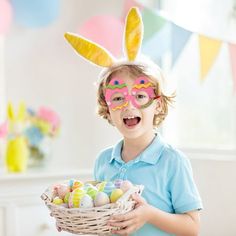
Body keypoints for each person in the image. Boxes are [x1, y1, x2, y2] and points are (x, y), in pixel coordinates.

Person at [65, 7, 203, 236]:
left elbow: (192, 227)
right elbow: (102, 215)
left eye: (140, 96)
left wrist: (149, 214)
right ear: (107, 109)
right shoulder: (103, 161)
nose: (129, 106)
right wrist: (78, 216)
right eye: (117, 98)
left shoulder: (172, 161)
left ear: (157, 103)